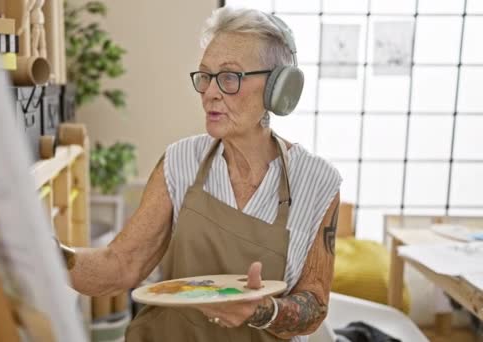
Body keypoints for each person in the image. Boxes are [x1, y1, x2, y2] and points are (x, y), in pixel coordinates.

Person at [70, 7, 342, 341]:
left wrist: (262, 311)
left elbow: (314, 305)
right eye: (205, 76)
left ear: (277, 88)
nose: (210, 92)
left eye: (229, 77)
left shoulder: (318, 182)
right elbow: (121, 264)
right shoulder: (180, 160)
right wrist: (47, 254)